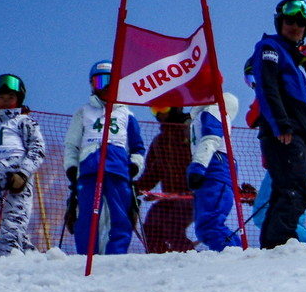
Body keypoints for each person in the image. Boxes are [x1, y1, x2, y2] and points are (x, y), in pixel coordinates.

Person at [251, 0, 306, 248]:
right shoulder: (269, 48)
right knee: (295, 191)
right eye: (290, 21)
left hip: (298, 134)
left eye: (301, 24)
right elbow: (268, 88)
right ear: (280, 22)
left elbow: (303, 105)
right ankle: (280, 242)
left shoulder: (292, 59)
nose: (295, 27)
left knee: (287, 191)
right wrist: (281, 125)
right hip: (284, 133)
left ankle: (274, 243)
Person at [64, 62, 145, 255]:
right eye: (101, 81)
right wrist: (72, 167)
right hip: (89, 170)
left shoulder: (126, 113)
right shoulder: (84, 112)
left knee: (120, 215)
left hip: (117, 169)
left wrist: (134, 165)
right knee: (87, 216)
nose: (106, 86)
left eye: (112, 81)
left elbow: (138, 147)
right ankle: (87, 256)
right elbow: (71, 145)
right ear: (92, 85)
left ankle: (115, 255)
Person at [0, 74, 47, 255]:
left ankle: (7, 259)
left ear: (19, 99)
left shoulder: (23, 121)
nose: (6, 102)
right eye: (2, 98)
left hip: (15, 178)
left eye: (11, 98)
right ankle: (30, 256)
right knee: (2, 223)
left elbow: (38, 150)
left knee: (13, 220)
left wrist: (23, 174)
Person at [135, 107, 195, 254]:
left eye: (163, 108)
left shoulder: (190, 130)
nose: (159, 114)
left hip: (193, 195)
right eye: (155, 110)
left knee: (172, 227)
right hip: (170, 197)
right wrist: (134, 188)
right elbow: (153, 172)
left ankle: (190, 260)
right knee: (152, 225)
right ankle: (158, 258)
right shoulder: (159, 141)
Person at [187, 91, 240, 251]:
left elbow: (212, 138)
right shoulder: (203, 113)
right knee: (205, 226)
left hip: (214, 170)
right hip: (212, 172)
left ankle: (232, 257)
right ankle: (236, 253)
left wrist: (198, 167)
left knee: (209, 225)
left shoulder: (213, 109)